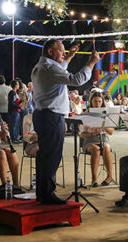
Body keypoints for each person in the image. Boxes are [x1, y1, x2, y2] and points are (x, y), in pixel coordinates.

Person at [31, 39, 99, 205]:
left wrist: (68, 57)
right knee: (52, 157)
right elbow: (76, 79)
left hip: (43, 115)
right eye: (61, 51)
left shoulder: (41, 66)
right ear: (50, 52)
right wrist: (91, 63)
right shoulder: (49, 67)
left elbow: (59, 69)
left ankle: (43, 192)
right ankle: (47, 194)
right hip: (52, 116)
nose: (63, 53)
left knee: (45, 155)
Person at [78, 91, 115, 187]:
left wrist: (104, 125)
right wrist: (92, 133)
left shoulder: (106, 114)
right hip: (89, 140)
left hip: (103, 139)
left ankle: (109, 176)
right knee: (96, 149)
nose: (97, 104)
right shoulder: (85, 114)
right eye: (95, 101)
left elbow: (111, 132)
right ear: (91, 102)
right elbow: (81, 133)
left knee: (106, 147)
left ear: (102, 102)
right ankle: (94, 179)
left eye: (99, 101)